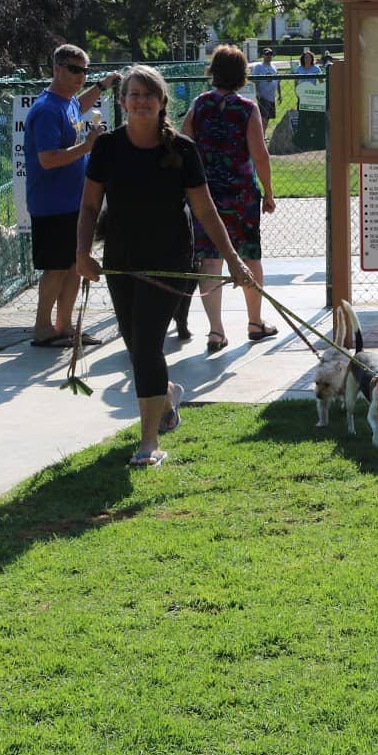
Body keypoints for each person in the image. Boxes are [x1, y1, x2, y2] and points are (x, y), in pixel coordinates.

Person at [77, 66, 249, 468]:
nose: (141, 101)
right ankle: (167, 396)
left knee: (147, 345)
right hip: (121, 260)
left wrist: (233, 258)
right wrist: (82, 253)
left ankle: (148, 442)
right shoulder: (107, 147)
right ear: (122, 101)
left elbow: (205, 210)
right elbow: (89, 205)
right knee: (135, 346)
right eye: (134, 94)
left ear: (161, 102)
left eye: (148, 95)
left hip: (169, 259)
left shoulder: (183, 149)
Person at [182, 44, 278, 352]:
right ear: (241, 74)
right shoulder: (247, 109)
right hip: (241, 195)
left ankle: (216, 331)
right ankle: (255, 322)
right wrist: (269, 192)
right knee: (249, 255)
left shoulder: (199, 104)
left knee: (209, 260)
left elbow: (184, 142)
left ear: (214, 71)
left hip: (205, 194)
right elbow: (259, 155)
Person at [23, 44, 119, 348]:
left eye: (85, 71)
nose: (81, 76)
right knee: (56, 268)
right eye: (75, 70)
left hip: (73, 202)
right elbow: (48, 159)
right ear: (57, 69)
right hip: (52, 204)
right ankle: (43, 328)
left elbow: (79, 104)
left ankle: (64, 327)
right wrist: (87, 146)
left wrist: (102, 85)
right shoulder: (47, 110)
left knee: (75, 265)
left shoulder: (66, 102)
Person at [252, 46, 280, 122]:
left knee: (268, 118)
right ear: (263, 56)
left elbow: (278, 81)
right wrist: (258, 92)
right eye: (267, 54)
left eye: (270, 54)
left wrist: (280, 95)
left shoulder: (274, 67)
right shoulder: (259, 66)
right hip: (263, 97)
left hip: (272, 97)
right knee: (263, 118)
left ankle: (263, 130)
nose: (269, 56)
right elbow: (254, 80)